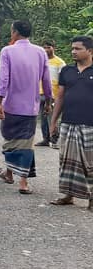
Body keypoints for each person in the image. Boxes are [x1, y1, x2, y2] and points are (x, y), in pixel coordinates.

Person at [0, 20, 51, 195]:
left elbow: (3, 78)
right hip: (31, 107)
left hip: (11, 105)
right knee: (26, 143)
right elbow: (46, 79)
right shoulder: (40, 52)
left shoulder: (7, 51)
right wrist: (48, 101)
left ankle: (19, 179)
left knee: (11, 141)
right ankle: (15, 177)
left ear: (15, 32)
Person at [49, 36, 93, 208]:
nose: (73, 51)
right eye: (72, 48)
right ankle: (68, 194)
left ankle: (91, 198)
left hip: (90, 124)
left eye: (78, 48)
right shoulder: (67, 70)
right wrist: (53, 122)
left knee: (90, 162)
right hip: (68, 122)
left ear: (90, 51)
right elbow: (60, 97)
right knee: (67, 160)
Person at [37, 39, 66, 148]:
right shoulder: (40, 61)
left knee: (53, 118)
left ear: (54, 48)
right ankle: (45, 139)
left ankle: (55, 140)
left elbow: (63, 81)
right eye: (44, 47)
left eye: (49, 47)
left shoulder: (60, 63)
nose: (46, 49)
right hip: (40, 93)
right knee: (43, 118)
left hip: (54, 95)